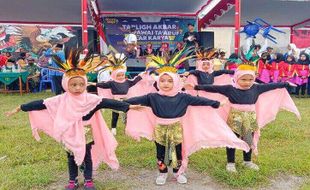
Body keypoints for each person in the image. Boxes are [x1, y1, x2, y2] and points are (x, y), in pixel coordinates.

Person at [6, 48, 143, 190]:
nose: (77, 87)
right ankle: (73, 180)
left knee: (87, 155)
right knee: (71, 157)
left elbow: (109, 103)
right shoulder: (61, 100)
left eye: (81, 84)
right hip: (68, 132)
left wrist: (129, 106)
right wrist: (21, 107)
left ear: (85, 84)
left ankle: (88, 180)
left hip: (87, 131)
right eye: (73, 84)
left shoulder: (91, 99)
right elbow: (42, 103)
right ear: (66, 84)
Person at [125, 53, 250, 185]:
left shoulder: (183, 97)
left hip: (176, 128)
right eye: (162, 81)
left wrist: (216, 103)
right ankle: (162, 173)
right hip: (160, 128)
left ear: (176, 81)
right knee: (161, 152)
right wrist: (123, 103)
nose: (165, 84)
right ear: (158, 82)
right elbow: (134, 100)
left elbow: (199, 100)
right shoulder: (152, 97)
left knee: (178, 152)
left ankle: (177, 172)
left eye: (169, 81)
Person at [184, 60, 300, 173]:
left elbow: (271, 86)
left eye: (250, 79)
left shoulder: (256, 88)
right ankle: (230, 163)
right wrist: (195, 87)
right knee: (232, 139)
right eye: (243, 79)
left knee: (248, 139)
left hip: (250, 118)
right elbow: (213, 88)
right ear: (236, 78)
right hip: (235, 118)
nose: (247, 82)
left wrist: (285, 83)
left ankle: (247, 161)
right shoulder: (229, 89)